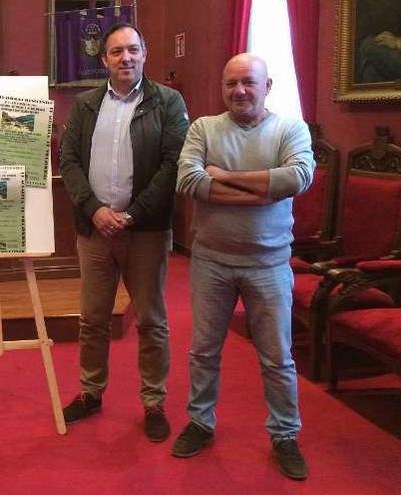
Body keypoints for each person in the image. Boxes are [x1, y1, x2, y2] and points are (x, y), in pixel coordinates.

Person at [173, 53, 314, 481]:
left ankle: (285, 435)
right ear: (222, 86)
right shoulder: (203, 128)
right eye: (231, 83)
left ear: (267, 86)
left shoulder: (290, 128)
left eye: (249, 83)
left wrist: (223, 177)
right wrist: (263, 189)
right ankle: (200, 422)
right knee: (203, 351)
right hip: (211, 261)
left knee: (277, 358)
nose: (240, 91)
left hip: (269, 264)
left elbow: (298, 178)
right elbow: (188, 181)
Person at [58, 22, 189, 442]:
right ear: (104, 60)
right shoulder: (86, 104)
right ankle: (90, 392)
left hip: (145, 230)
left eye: (133, 49)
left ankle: (153, 401)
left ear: (144, 54)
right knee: (93, 319)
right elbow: (69, 162)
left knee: (151, 320)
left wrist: (131, 215)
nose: (125, 58)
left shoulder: (167, 102)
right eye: (116, 52)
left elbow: (173, 166)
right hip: (94, 231)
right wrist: (95, 210)